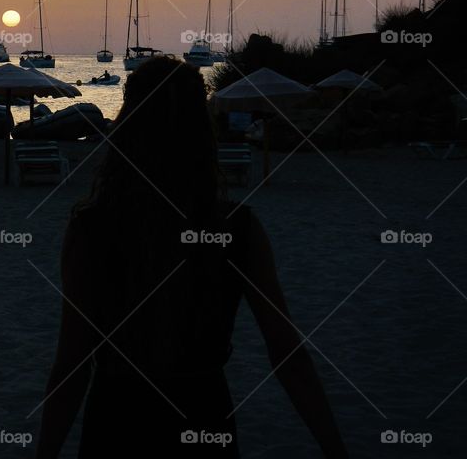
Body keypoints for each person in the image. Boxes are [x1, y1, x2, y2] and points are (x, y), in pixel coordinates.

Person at [36, 57, 347, 458]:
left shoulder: (93, 229)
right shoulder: (238, 230)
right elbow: (287, 353)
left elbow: (72, 362)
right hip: (203, 415)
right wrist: (335, 449)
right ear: (202, 132)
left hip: (116, 420)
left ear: (127, 126)